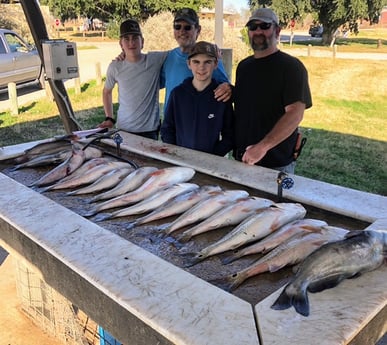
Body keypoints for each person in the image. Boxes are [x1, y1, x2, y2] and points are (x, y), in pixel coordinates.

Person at [233, 8, 312, 174]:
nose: (258, 31)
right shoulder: (243, 66)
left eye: (264, 26)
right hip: (241, 158)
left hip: (275, 163)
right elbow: (249, 102)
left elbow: (295, 114)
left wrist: (262, 147)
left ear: (277, 30)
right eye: (253, 27)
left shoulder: (292, 67)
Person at [161, 41, 234, 156]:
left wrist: (213, 155)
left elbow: (230, 134)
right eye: (196, 62)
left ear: (215, 64)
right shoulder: (177, 94)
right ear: (188, 64)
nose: (201, 67)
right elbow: (167, 128)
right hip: (181, 159)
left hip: (210, 162)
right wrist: (176, 152)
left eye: (207, 62)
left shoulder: (222, 96)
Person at [99, 19, 167, 139]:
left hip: (149, 130)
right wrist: (109, 117)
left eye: (135, 38)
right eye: (127, 39)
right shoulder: (115, 67)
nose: (131, 43)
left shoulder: (155, 60)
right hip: (124, 128)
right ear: (121, 44)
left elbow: (180, 53)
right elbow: (106, 91)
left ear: (142, 42)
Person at [160, 8, 231, 110]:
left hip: (196, 122)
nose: (182, 31)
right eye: (177, 27)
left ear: (198, 30)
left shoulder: (208, 58)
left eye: (187, 27)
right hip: (171, 123)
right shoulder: (168, 57)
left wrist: (227, 88)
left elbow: (225, 88)